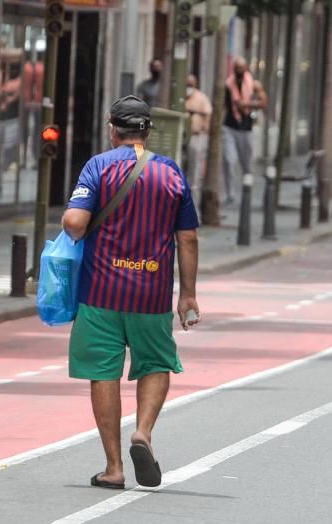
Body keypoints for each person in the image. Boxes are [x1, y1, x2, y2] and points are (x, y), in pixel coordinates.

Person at [62, 95, 200, 489]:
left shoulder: (98, 167)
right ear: (148, 131)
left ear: (112, 128)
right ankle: (143, 431)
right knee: (155, 363)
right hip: (152, 294)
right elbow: (187, 238)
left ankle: (114, 467)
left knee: (103, 372)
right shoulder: (171, 173)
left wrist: (69, 224)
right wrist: (187, 293)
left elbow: (75, 221)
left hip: (101, 292)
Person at [222, 56, 264, 204]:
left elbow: (263, 102)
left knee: (247, 163)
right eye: (236, 67)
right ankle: (230, 193)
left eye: (241, 67)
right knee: (229, 160)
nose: (239, 70)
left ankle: (247, 190)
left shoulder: (254, 84)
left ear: (246, 68)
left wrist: (246, 104)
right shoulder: (228, 84)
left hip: (247, 128)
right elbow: (223, 105)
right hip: (230, 126)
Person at [184, 74, 212, 199]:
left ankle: (193, 189)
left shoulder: (201, 98)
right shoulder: (180, 96)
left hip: (196, 135)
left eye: (191, 84)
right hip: (182, 136)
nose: (189, 86)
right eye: (187, 83)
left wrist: (204, 127)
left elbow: (207, 114)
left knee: (194, 162)